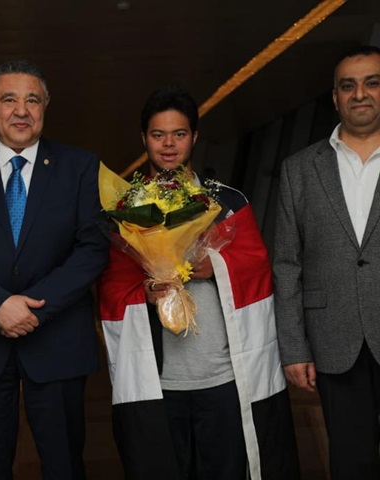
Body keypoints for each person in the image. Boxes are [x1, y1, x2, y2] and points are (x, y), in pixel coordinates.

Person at [98, 86, 299, 479]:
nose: (168, 145)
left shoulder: (227, 203)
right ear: (144, 139)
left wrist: (215, 265)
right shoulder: (126, 211)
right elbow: (110, 288)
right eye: (158, 135)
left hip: (223, 377)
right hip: (158, 382)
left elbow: (258, 270)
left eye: (179, 134)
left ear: (194, 137)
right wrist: (145, 290)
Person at [0, 60, 108, 480]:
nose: (21, 111)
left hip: (58, 338)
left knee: (65, 466)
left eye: (33, 100)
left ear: (46, 105)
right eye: (9, 99)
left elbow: (92, 249)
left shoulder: (81, 166)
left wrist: (34, 308)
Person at [273, 45, 380, 479]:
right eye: (348, 86)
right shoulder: (299, 170)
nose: (360, 94)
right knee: (351, 462)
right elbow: (286, 264)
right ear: (335, 97)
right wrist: (294, 347)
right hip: (334, 341)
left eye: (372, 83)